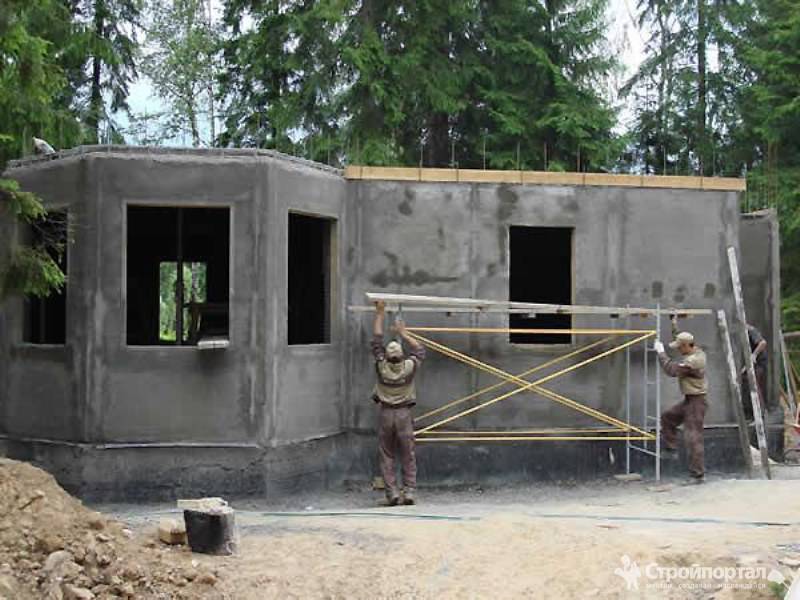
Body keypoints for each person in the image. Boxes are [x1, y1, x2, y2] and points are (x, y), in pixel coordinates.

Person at [371, 300, 426, 505]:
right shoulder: (409, 367)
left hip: (386, 413)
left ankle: (392, 493)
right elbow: (420, 350)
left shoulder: (381, 367)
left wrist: (379, 313)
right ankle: (409, 491)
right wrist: (404, 333)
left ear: (386, 356)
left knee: (387, 454)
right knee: (407, 453)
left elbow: (376, 341)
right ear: (402, 356)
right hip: (404, 414)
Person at [654, 316, 708, 483]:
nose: (678, 350)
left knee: (693, 438)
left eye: (679, 347)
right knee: (667, 417)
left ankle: (697, 475)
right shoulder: (694, 348)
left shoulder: (694, 361)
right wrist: (674, 323)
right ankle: (671, 449)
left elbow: (671, 370)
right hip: (689, 400)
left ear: (686, 346)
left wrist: (661, 353)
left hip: (697, 403)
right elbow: (680, 338)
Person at [741, 323, 768, 418]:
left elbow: (763, 343)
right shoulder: (743, 333)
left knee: (753, 384)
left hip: (759, 362)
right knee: (746, 381)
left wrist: (754, 355)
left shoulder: (750, 330)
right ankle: (750, 413)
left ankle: (760, 414)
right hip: (753, 363)